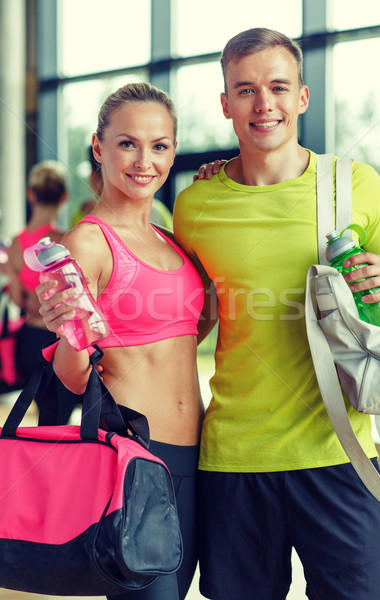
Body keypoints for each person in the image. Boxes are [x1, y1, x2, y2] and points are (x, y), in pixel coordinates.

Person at [173, 27, 380, 600]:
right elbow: (189, 318)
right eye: (245, 90)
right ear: (224, 103)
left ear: (302, 95)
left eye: (278, 86)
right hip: (232, 460)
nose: (264, 103)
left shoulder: (356, 186)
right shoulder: (196, 205)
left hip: (340, 453)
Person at [36, 82, 205, 600]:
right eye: (127, 143)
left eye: (159, 146)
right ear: (98, 146)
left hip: (196, 460)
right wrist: (72, 331)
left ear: (173, 151)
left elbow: (190, 330)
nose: (144, 160)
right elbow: (70, 374)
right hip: (133, 461)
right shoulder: (87, 242)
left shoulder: (171, 238)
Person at [6, 160, 68, 387]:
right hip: (61, 341)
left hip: (30, 339)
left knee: (44, 418)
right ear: (64, 196)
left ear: (30, 194)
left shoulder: (15, 245)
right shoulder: (64, 241)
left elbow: (17, 300)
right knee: (62, 418)